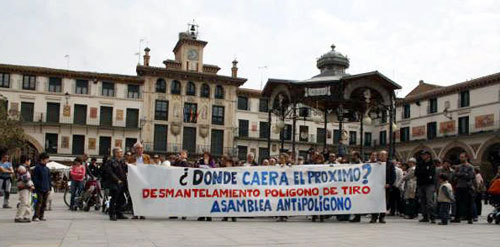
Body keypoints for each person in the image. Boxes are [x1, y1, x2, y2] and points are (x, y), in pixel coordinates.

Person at [102, 148, 129, 221]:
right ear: (115, 153)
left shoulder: (122, 162)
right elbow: (110, 172)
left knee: (122, 199)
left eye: (121, 152)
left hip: (122, 183)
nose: (121, 153)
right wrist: (117, 180)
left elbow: (126, 169)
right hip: (114, 183)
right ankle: (112, 214)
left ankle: (119, 213)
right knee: (113, 199)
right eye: (120, 152)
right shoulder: (110, 162)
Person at [370, 150, 395, 224]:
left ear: (386, 156)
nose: (381, 157)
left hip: (385, 187)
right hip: (376, 187)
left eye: (383, 155)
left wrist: (389, 184)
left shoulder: (390, 164)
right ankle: (374, 217)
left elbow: (393, 176)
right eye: (380, 155)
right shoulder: (376, 163)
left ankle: (382, 217)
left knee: (384, 202)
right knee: (375, 202)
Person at [451, 152, 475, 224]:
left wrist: (460, 175)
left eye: (462, 157)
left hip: (467, 186)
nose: (461, 158)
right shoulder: (458, 167)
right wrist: (462, 174)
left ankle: (469, 218)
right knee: (457, 202)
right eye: (460, 157)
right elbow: (454, 175)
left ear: (466, 157)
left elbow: (470, 176)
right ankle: (457, 217)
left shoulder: (470, 167)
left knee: (468, 203)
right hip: (459, 186)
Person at [415, 150, 436, 223]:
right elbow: (416, 173)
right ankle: (425, 216)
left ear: (428, 155)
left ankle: (433, 216)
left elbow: (431, 174)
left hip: (429, 184)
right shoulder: (420, 163)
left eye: (424, 155)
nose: (423, 156)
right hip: (421, 184)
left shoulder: (432, 164)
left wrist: (423, 172)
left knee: (429, 201)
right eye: (422, 155)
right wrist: (424, 172)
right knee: (422, 201)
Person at [32, 152, 51, 222]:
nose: (47, 161)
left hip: (46, 188)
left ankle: (41, 215)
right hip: (39, 188)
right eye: (47, 159)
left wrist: (49, 188)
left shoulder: (47, 169)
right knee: (39, 202)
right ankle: (35, 216)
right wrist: (37, 186)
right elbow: (35, 178)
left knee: (44, 203)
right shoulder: (37, 168)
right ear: (42, 159)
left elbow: (49, 179)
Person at [15, 155, 34, 223]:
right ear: (26, 161)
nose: (30, 162)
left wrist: (31, 185)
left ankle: (26, 216)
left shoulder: (26, 168)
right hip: (23, 187)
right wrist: (31, 185)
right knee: (24, 202)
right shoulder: (22, 168)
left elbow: (28, 178)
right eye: (29, 161)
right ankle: (18, 216)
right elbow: (25, 178)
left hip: (27, 187)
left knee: (28, 202)